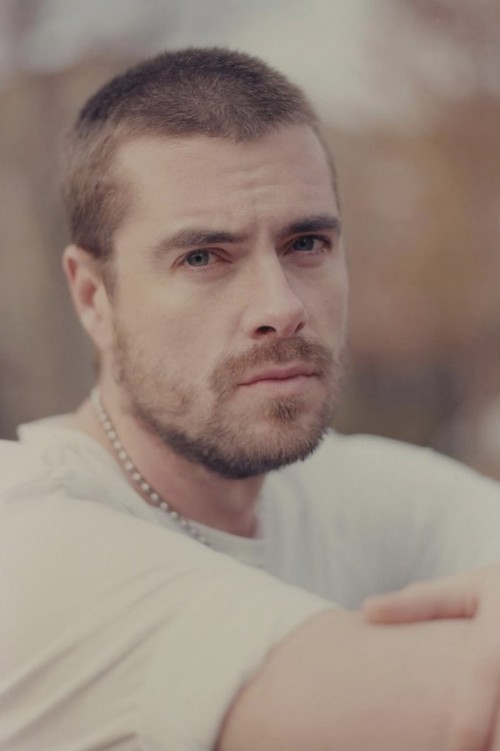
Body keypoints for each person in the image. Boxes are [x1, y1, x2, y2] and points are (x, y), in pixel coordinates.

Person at [3, 46, 500, 751]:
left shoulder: (339, 490)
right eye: (203, 257)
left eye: (306, 243)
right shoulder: (30, 548)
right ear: (93, 297)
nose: (282, 306)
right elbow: (452, 709)